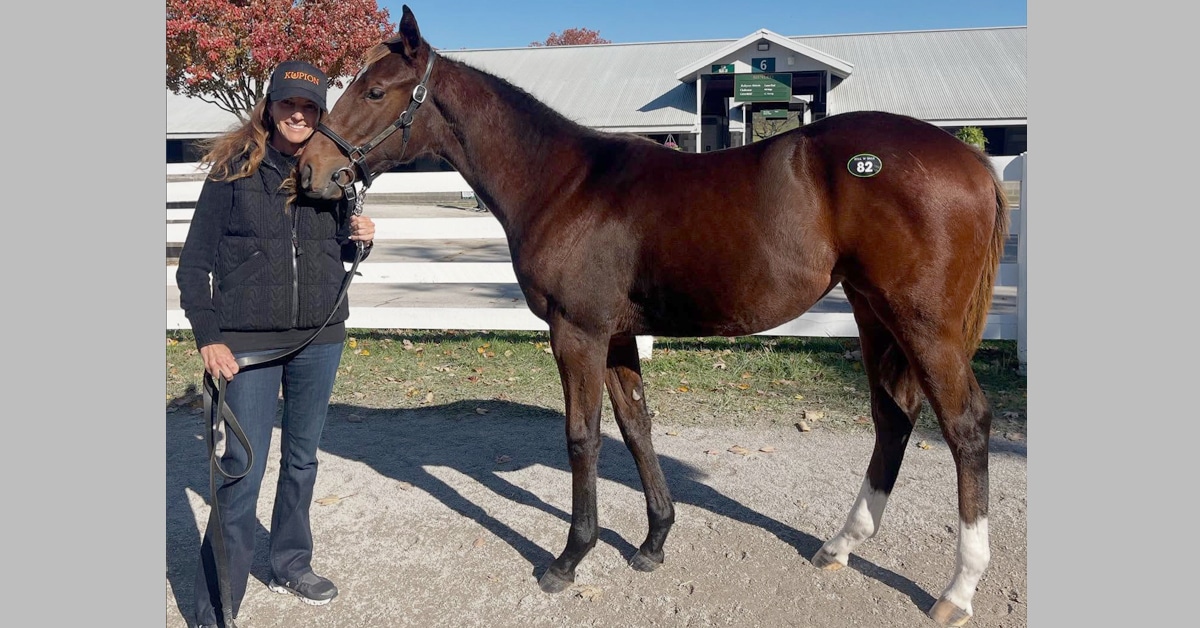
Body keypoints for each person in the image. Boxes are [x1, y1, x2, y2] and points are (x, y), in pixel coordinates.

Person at [176, 59, 375, 627]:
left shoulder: (332, 173)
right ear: (270, 108)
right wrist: (209, 340)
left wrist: (359, 237)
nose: (298, 114)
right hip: (247, 347)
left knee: (302, 460)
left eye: (309, 107)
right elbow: (194, 267)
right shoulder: (233, 171)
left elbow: (336, 254)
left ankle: (289, 561)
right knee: (241, 471)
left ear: (319, 115)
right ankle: (216, 610)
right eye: (289, 104)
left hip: (320, 337)